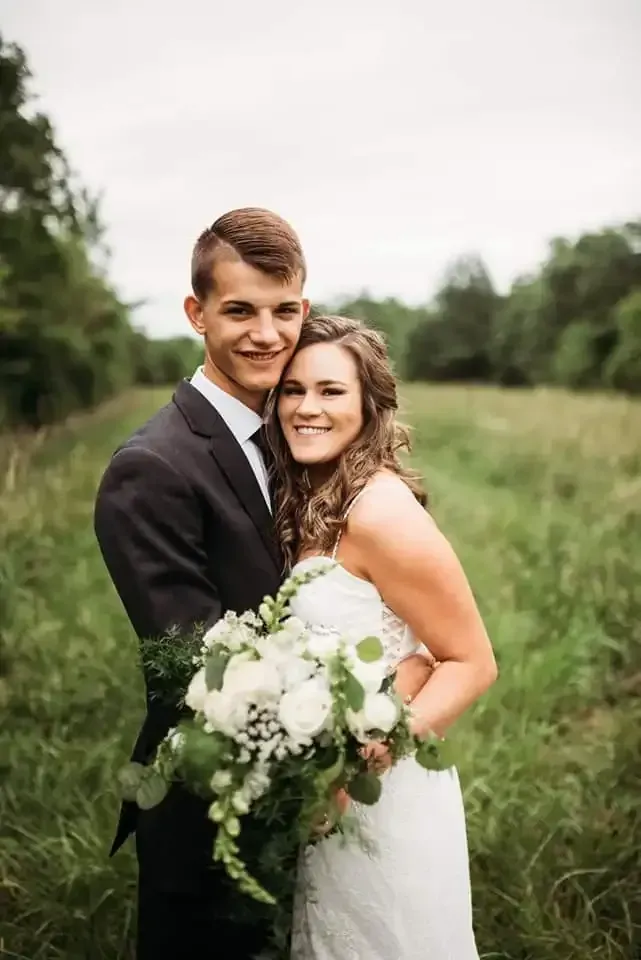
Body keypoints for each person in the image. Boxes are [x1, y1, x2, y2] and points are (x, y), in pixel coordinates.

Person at [93, 207, 316, 959]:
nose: (266, 334)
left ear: (304, 309)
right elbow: (193, 667)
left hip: (303, 804)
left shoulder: (298, 428)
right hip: (210, 810)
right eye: (239, 311)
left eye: (284, 310)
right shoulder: (151, 468)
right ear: (196, 313)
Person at [264, 314, 498, 959]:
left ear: (371, 405)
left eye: (331, 391)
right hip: (325, 792)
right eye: (292, 390)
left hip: (382, 794)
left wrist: (351, 770)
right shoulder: (309, 497)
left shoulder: (379, 511)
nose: (307, 408)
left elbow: (470, 661)